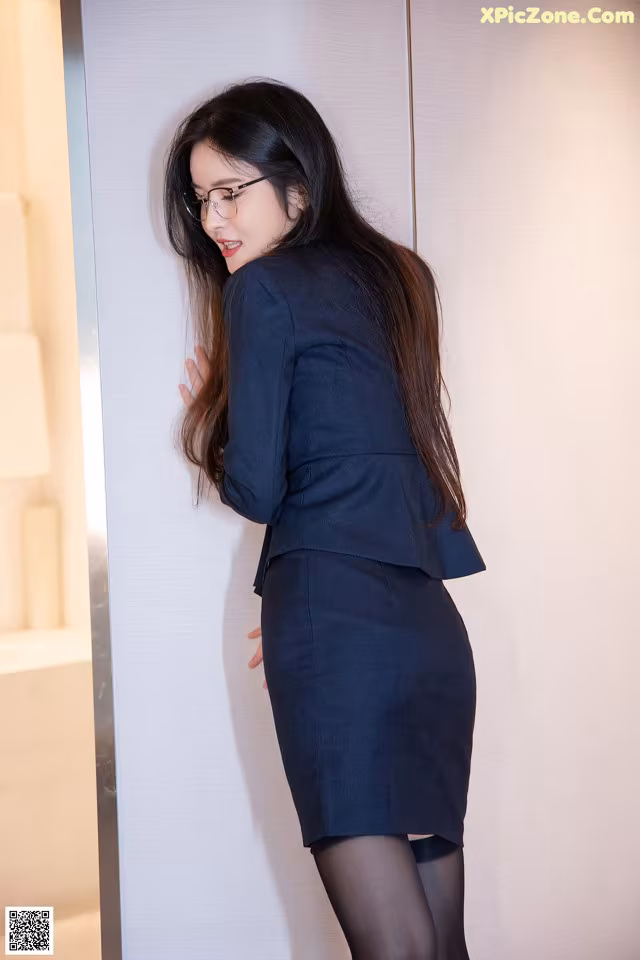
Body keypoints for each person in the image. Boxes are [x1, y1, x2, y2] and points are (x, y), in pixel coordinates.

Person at [165, 77, 486, 960]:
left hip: (333, 626)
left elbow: (261, 492)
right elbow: (389, 463)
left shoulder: (262, 291)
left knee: (394, 948)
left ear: (297, 187)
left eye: (231, 191)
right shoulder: (400, 278)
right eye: (201, 199)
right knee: (440, 943)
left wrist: (215, 423)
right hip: (425, 631)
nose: (214, 219)